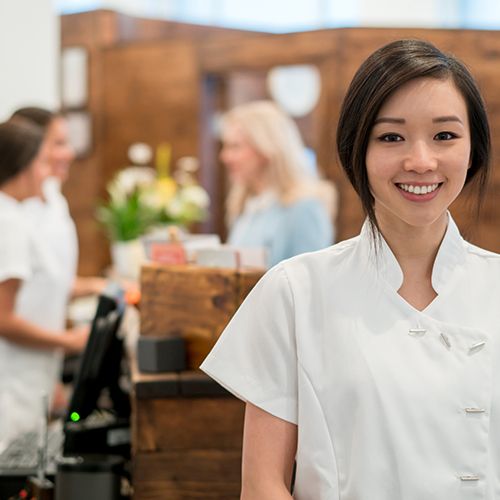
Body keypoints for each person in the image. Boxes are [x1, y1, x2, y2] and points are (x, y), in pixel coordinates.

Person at [201, 39, 497, 499]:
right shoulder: (295, 292)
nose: (421, 161)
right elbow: (263, 487)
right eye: (391, 136)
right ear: (356, 148)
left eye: (445, 135)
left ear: (473, 148)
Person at [0, 120, 88, 449]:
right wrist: (69, 341)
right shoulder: (8, 223)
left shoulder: (14, 216)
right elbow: (2, 318)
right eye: (41, 163)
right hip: (12, 381)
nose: (46, 173)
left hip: (27, 376)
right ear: (23, 166)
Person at [220, 100, 336, 268]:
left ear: (266, 148)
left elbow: (309, 283)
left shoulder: (304, 208)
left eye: (235, 147)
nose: (225, 157)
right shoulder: (247, 205)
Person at [11, 107, 106, 298]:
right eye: (59, 143)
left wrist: (99, 286)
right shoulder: (11, 210)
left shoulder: (54, 197)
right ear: (30, 146)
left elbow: (51, 279)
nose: (70, 153)